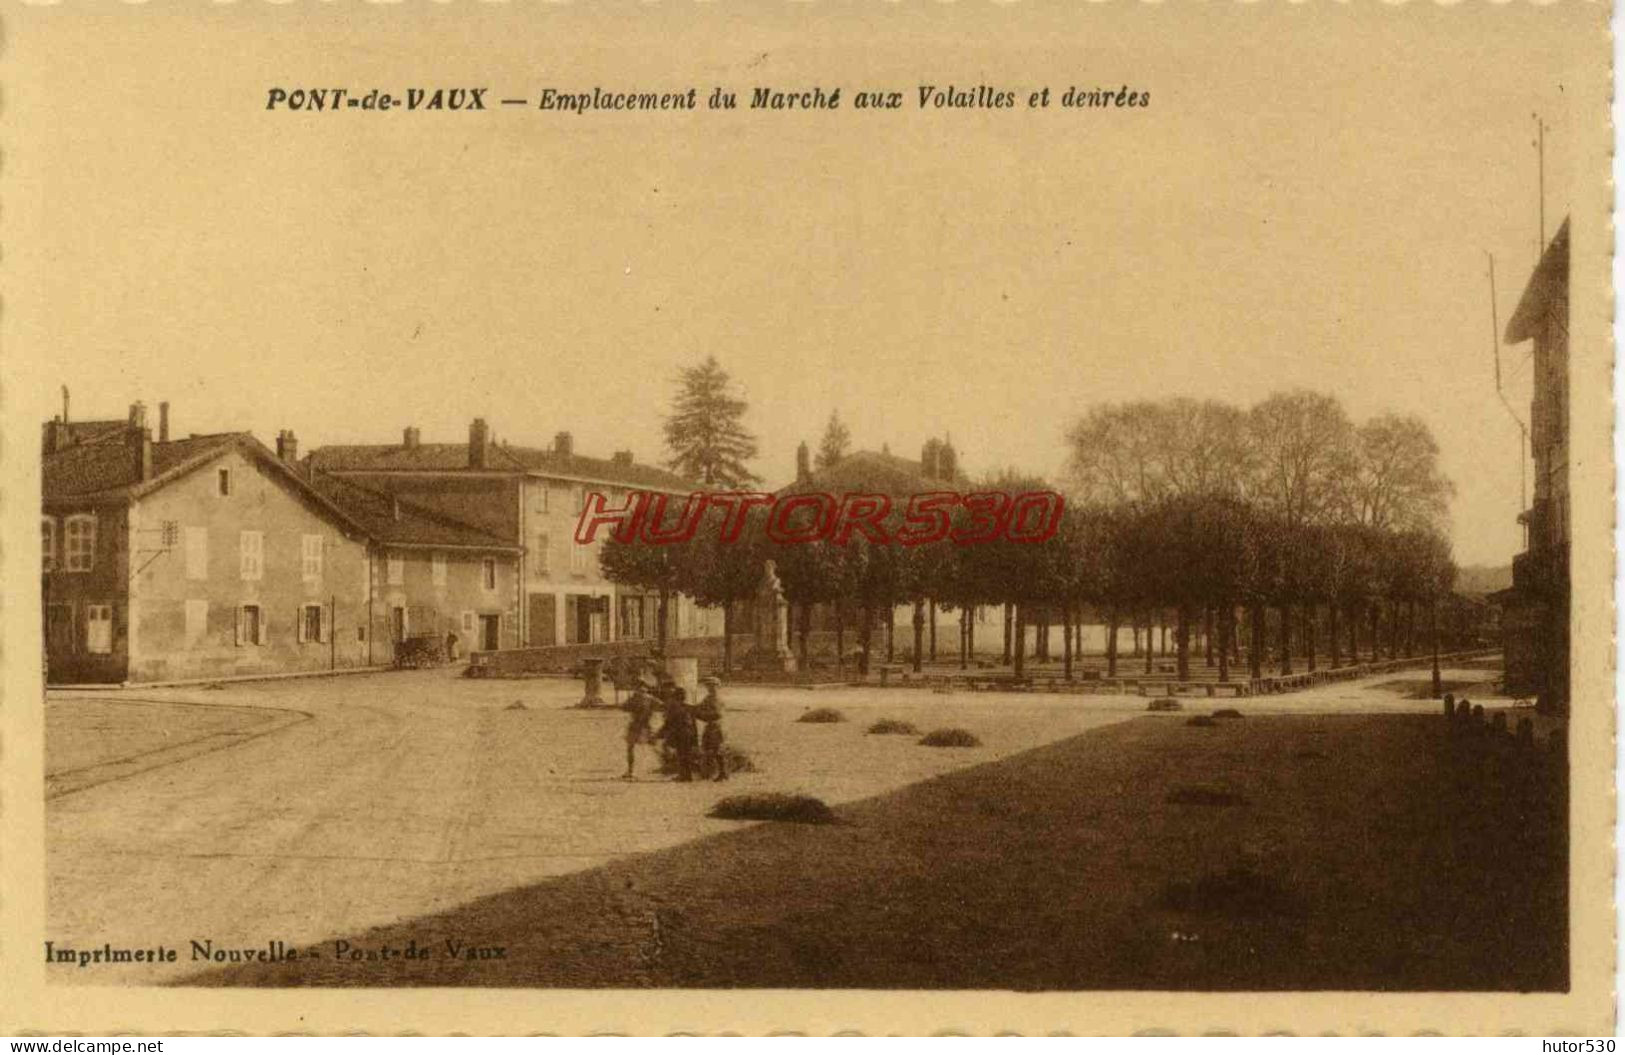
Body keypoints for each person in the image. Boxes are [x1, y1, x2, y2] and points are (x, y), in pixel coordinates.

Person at [655, 673, 698, 782]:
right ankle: (686, 775)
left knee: (682, 755)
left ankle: (685, 776)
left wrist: (658, 735)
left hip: (681, 733)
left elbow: (669, 723)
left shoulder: (675, 707)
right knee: (685, 754)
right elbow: (693, 723)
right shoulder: (687, 707)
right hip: (688, 733)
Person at [621, 675, 658, 779]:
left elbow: (624, 707)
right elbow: (661, 706)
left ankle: (631, 770)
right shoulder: (650, 698)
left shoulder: (635, 698)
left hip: (636, 725)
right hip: (646, 725)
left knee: (631, 748)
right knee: (652, 745)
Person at [693, 676, 728, 782]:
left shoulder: (717, 699)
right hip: (710, 726)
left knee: (717, 750)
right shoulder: (708, 698)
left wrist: (699, 714)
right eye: (708, 686)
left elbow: (717, 714)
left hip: (716, 727)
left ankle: (723, 773)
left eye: (712, 686)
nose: (710, 688)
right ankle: (709, 772)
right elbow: (699, 707)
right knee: (709, 749)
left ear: (718, 686)